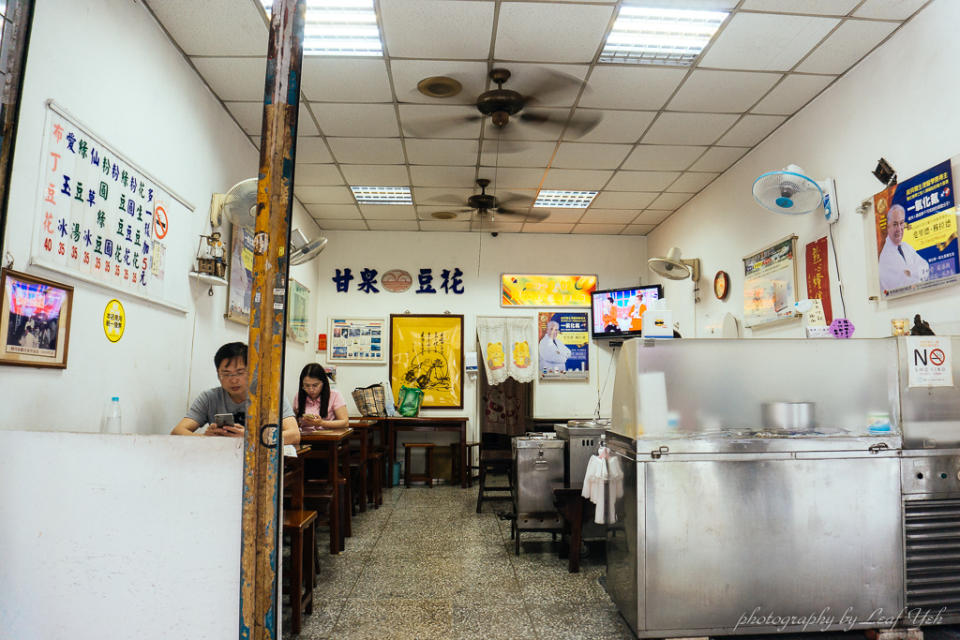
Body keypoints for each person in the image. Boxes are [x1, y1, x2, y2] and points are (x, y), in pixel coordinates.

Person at [171, 342, 300, 445]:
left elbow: (294, 435)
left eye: (240, 372)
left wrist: (250, 438)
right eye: (226, 374)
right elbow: (177, 432)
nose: (233, 380)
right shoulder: (209, 398)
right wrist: (206, 438)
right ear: (218, 374)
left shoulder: (270, 395)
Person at [879, 204, 929, 291]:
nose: (899, 229)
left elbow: (926, 267)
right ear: (888, 227)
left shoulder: (906, 247)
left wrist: (910, 271)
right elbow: (903, 286)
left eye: (901, 223)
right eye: (895, 224)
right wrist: (916, 271)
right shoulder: (885, 256)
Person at [294, 363, 348, 433]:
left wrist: (321, 423)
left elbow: (345, 423)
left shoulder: (335, 395)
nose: (311, 389)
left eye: (315, 385)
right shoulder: (298, 396)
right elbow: (295, 421)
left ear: (323, 383)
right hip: (305, 438)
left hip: (328, 438)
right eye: (306, 385)